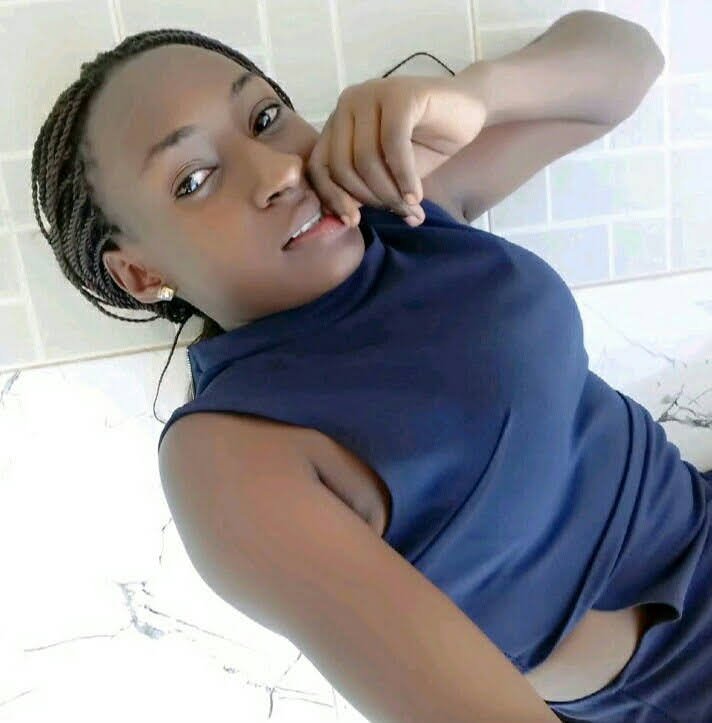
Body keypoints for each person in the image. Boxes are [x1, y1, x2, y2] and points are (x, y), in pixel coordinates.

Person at [31, 27, 712, 723]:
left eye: (265, 118)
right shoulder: (229, 453)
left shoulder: (402, 210)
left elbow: (632, 64)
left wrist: (477, 94)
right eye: (194, 180)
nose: (279, 171)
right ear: (142, 273)